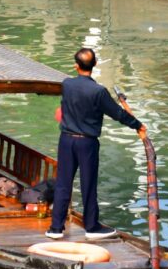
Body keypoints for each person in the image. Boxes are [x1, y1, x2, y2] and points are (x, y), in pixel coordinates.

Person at [46, 48, 145, 240]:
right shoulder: (98, 92)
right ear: (95, 64)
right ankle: (91, 227)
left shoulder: (67, 85)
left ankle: (55, 228)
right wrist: (138, 125)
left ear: (76, 66)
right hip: (86, 143)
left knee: (63, 184)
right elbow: (118, 114)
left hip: (66, 140)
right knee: (88, 185)